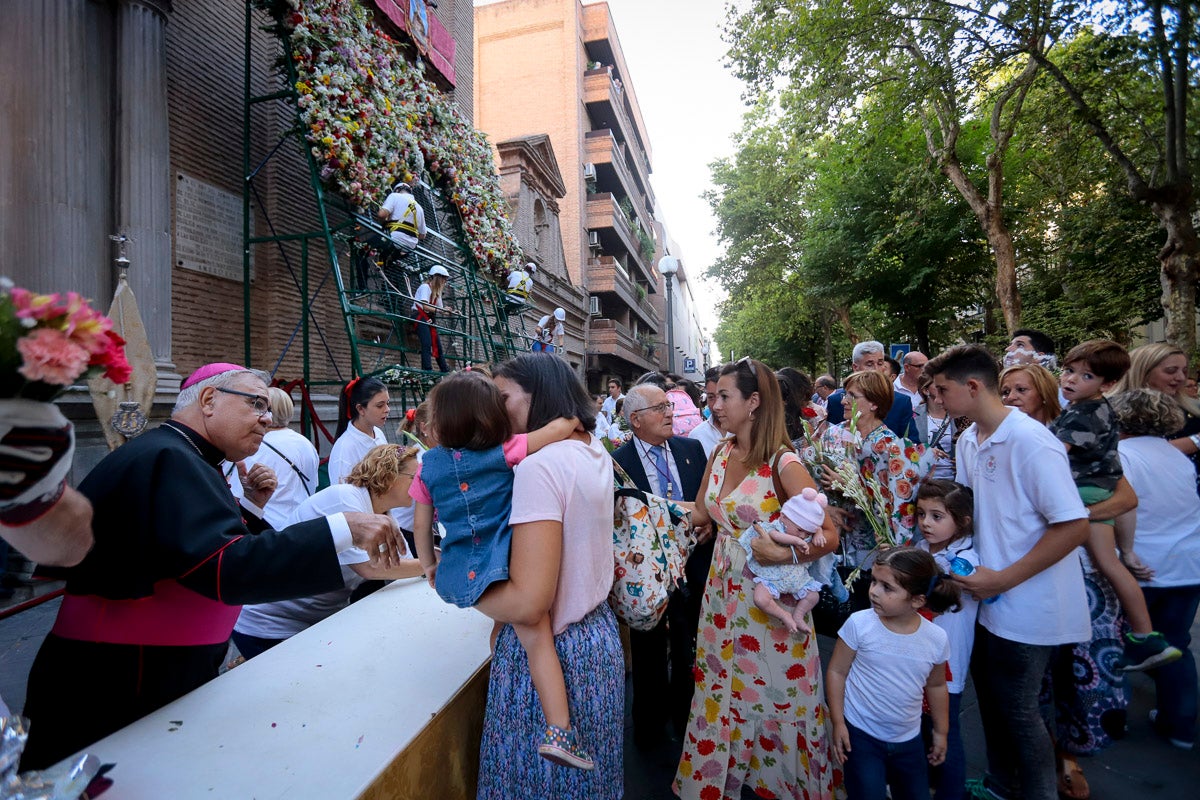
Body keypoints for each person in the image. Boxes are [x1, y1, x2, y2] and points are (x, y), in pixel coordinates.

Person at [19, 363, 402, 770]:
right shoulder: (170, 457)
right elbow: (225, 569)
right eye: (257, 403)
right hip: (120, 677)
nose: (268, 418)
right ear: (208, 400)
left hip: (149, 669)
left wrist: (251, 507)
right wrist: (343, 527)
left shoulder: (182, 456)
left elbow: (187, 551)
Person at [924, 344, 1090, 800]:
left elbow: (1074, 525)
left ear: (972, 387)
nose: (937, 400)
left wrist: (1005, 578)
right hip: (987, 598)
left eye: (942, 390)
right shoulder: (966, 440)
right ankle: (1000, 784)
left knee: (1021, 713)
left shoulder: (1032, 441)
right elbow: (973, 515)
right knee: (996, 708)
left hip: (1031, 604)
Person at [676, 357, 841, 800]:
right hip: (721, 593)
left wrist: (787, 548)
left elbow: (830, 534)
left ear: (753, 402)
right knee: (721, 687)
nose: (714, 405)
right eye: (711, 397)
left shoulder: (783, 462)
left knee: (774, 692)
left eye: (722, 396)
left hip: (768, 601)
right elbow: (698, 512)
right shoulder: (720, 451)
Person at [410, 371, 587, 768]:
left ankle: (514, 686)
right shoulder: (506, 452)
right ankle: (560, 729)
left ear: (437, 423)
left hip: (459, 570)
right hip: (502, 566)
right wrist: (574, 420)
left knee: (503, 627)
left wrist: (429, 567)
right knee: (536, 634)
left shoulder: (427, 468)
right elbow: (556, 429)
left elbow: (421, 526)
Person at [471, 354, 621, 797]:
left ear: (538, 396)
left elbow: (529, 602)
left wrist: (454, 587)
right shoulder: (591, 449)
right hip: (596, 643)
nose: (496, 411)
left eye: (504, 398)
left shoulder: (540, 466)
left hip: (554, 651)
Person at [1050, 340, 1179, 671]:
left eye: (1086, 375)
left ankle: (1145, 635)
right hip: (1096, 490)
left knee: (1109, 564)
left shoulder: (1084, 414)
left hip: (1087, 493)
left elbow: (1052, 455)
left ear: (1107, 384)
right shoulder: (1091, 408)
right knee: (1111, 563)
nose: (1071, 379)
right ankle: (1143, 633)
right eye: (1069, 370)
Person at [232, 444, 424, 659]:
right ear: (390, 476)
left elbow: (404, 566)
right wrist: (433, 564)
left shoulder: (388, 516)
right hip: (270, 625)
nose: (419, 484)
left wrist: (432, 559)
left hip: (313, 623)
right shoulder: (345, 498)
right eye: (414, 477)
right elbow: (369, 569)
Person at [612, 383, 710, 752]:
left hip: (693, 566)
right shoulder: (618, 463)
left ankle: (690, 724)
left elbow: (707, 502)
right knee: (649, 653)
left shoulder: (691, 449)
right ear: (635, 420)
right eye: (660, 408)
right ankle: (650, 731)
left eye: (669, 405)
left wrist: (708, 523)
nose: (670, 412)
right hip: (646, 574)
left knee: (690, 649)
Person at [827, 547, 958, 800]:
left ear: (917, 600)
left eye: (887, 587)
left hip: (909, 740)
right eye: (874, 581)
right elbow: (836, 671)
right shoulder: (859, 624)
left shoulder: (936, 638)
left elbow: (937, 686)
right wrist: (838, 722)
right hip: (861, 736)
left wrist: (941, 732)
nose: (874, 591)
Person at [1109, 388, 1200, 751]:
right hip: (1189, 565)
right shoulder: (1176, 456)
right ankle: (1180, 727)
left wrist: (1122, 552)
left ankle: (1113, 721)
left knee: (1123, 645)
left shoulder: (1121, 455)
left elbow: (1122, 507)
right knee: (1176, 643)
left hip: (1143, 566)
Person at [811, 370, 931, 567]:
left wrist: (851, 487)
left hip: (870, 546)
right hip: (829, 535)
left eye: (853, 396)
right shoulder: (832, 435)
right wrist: (825, 507)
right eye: (845, 394)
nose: (843, 401)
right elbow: (813, 481)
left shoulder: (890, 447)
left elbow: (895, 505)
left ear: (874, 404)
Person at [913, 480, 981, 800]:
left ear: (962, 522)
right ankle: (930, 784)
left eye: (937, 516)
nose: (926, 522)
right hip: (918, 657)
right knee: (925, 726)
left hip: (947, 662)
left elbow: (941, 596)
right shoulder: (922, 548)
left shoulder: (966, 560)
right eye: (921, 514)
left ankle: (951, 791)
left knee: (945, 730)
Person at [740, 486, 835, 635]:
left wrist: (818, 533)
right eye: (800, 530)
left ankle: (798, 615)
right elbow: (775, 536)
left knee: (813, 596)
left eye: (808, 532)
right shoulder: (777, 526)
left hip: (797, 577)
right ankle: (784, 615)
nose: (803, 536)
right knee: (760, 598)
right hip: (774, 576)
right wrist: (796, 541)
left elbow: (815, 527)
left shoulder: (804, 529)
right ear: (784, 517)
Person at [1111, 342, 1200, 492]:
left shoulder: (1192, 407)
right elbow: (1129, 453)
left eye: (1184, 371)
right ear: (1144, 371)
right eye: (1171, 371)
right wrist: (1195, 441)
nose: (1180, 378)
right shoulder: (1115, 410)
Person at [228, 387, 318, 529]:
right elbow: (313, 485)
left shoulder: (253, 446)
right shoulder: (306, 443)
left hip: (265, 526)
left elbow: (236, 495)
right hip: (301, 525)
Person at [827, 341, 922, 442]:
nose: (876, 369)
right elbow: (829, 444)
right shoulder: (836, 402)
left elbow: (911, 445)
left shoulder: (901, 402)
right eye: (869, 364)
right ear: (855, 367)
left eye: (880, 363)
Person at [327, 377, 390, 488]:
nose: (387, 409)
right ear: (361, 409)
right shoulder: (344, 449)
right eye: (380, 405)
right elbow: (343, 495)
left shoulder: (378, 434)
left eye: (387, 403)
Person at [413, 265, 450, 372]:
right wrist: (441, 310)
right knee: (427, 342)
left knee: (437, 344)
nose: (445, 281)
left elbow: (440, 309)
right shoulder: (425, 287)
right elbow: (424, 306)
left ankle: (444, 369)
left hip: (429, 317)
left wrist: (449, 311)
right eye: (444, 279)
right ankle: (427, 369)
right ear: (437, 278)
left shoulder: (437, 293)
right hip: (418, 315)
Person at [376, 180, 427, 251]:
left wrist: (384, 224)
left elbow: (381, 215)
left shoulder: (394, 196)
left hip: (392, 239)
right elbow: (422, 236)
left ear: (397, 190)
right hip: (408, 249)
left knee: (366, 244)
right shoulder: (420, 208)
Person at [688, 365, 725, 457]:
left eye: (724, 397)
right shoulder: (697, 436)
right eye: (711, 397)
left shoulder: (750, 433)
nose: (717, 405)